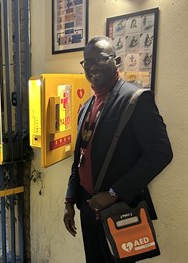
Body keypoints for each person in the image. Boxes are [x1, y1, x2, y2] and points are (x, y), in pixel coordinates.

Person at [63, 36, 173, 263]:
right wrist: (70, 200)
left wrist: (114, 193)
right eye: (87, 62)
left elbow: (161, 153)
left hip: (119, 208)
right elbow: (80, 157)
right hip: (88, 206)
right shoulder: (86, 106)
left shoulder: (136, 99)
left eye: (100, 59)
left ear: (117, 60)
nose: (92, 66)